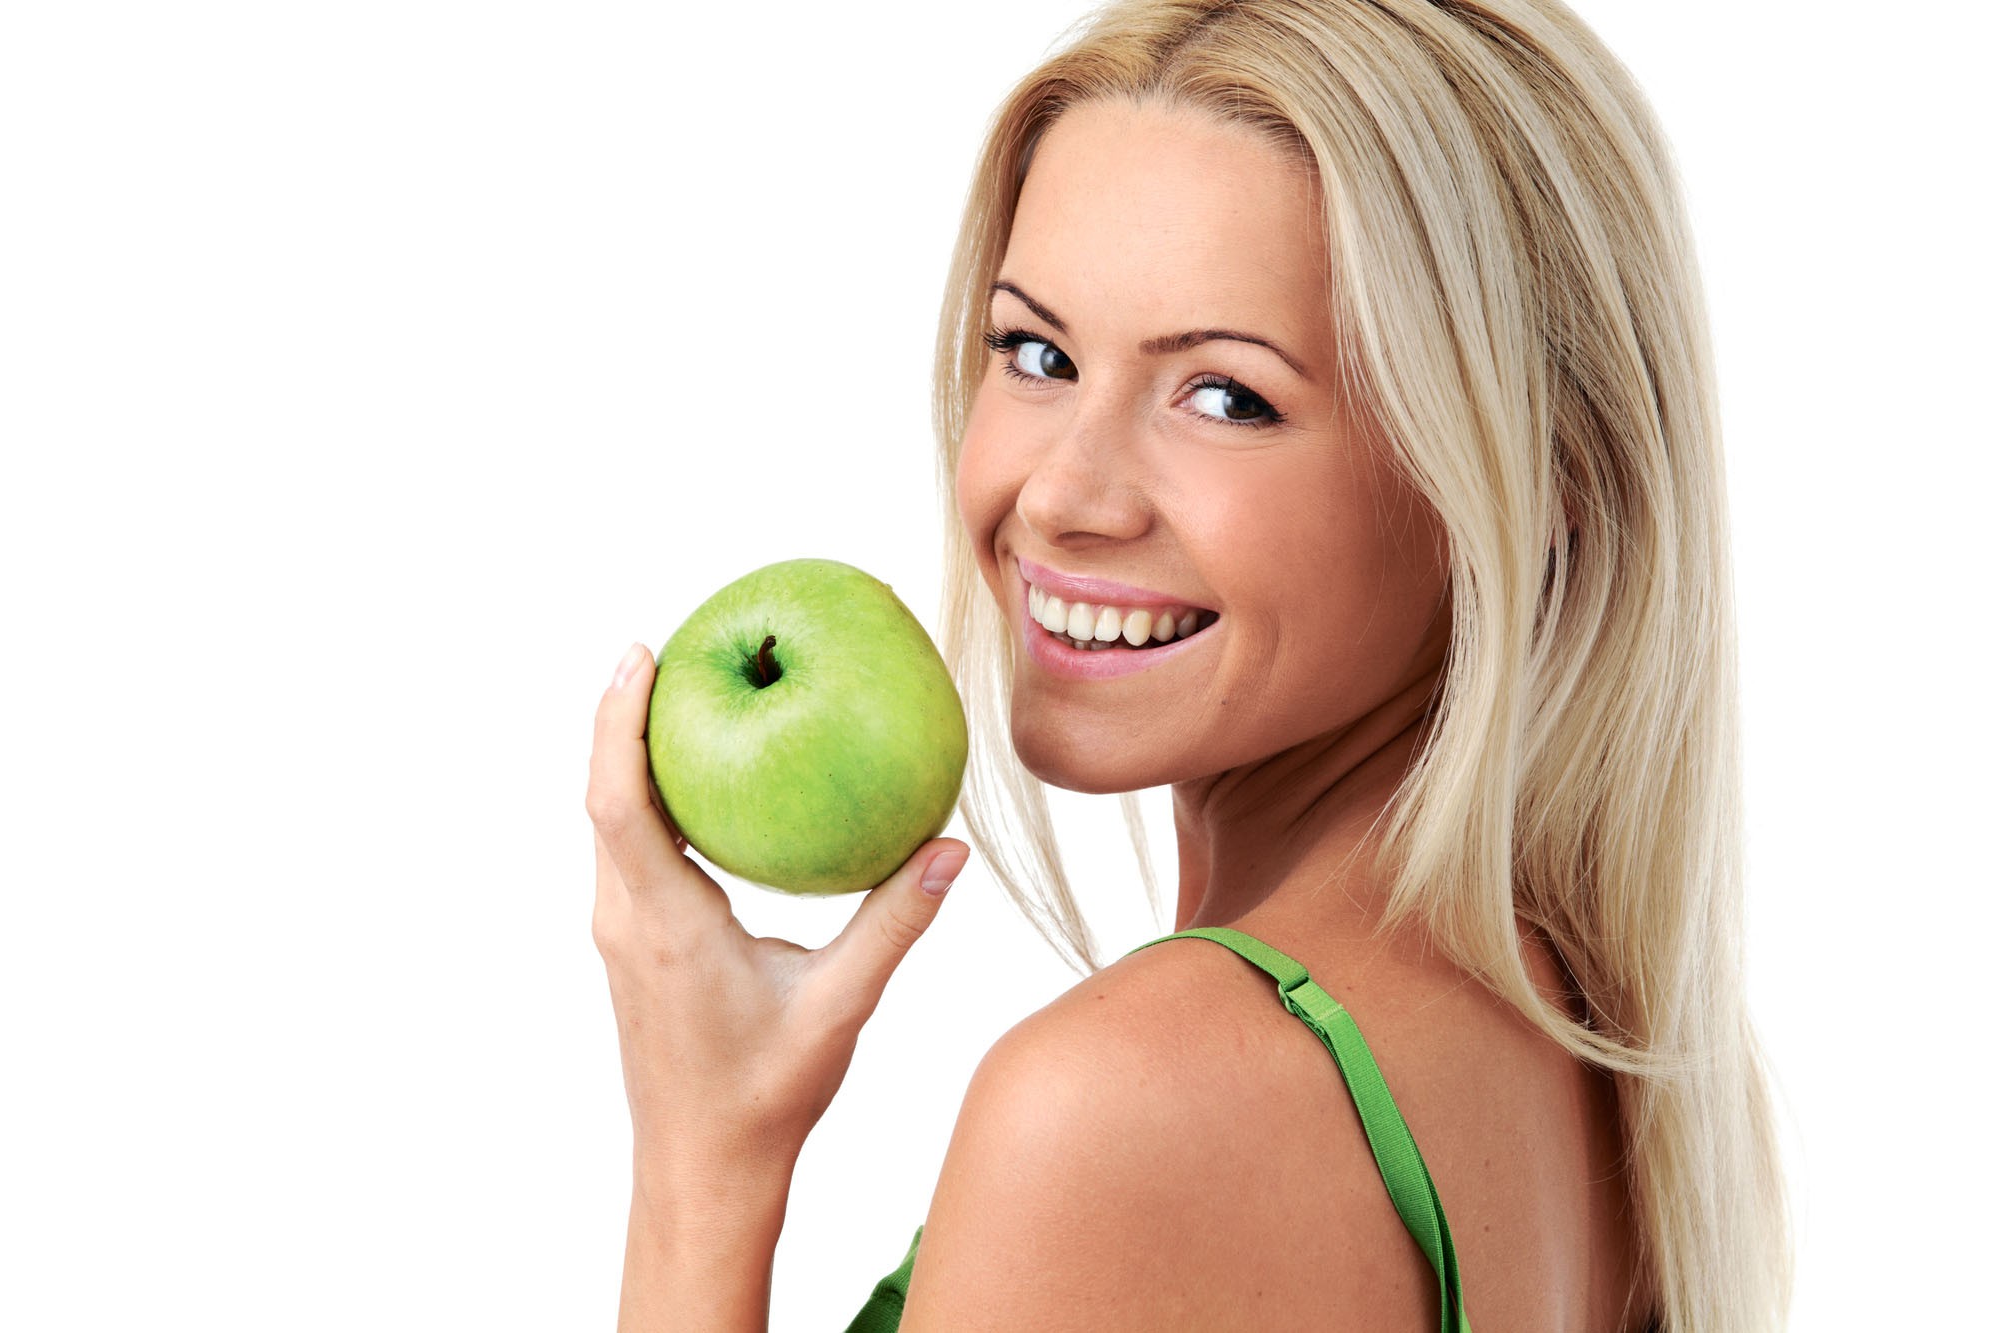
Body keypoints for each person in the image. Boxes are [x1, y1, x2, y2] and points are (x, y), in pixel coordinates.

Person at [586, 0, 1791, 1327]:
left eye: (1226, 395)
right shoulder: (1599, 1059)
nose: (1062, 495)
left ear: (1529, 478)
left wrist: (702, 1163)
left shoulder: (1121, 1105)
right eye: (1037, 354)